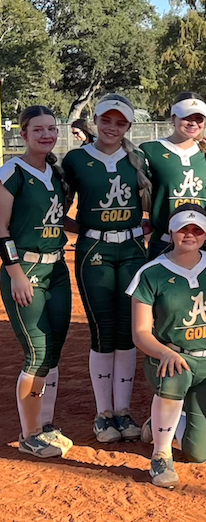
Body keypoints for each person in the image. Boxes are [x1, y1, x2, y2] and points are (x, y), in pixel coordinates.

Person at [62, 94, 150, 443]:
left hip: (131, 248)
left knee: (128, 330)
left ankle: (124, 411)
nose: (112, 128)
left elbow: (155, 202)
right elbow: (58, 208)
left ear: (128, 126)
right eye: (106, 121)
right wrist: (80, 230)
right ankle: (104, 414)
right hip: (94, 248)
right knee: (102, 328)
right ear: (95, 121)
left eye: (120, 123)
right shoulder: (76, 160)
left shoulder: (138, 159)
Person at [128, 205, 206, 488]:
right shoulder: (151, 272)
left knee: (199, 453)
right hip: (171, 357)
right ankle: (161, 454)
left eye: (197, 229)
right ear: (171, 232)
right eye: (183, 228)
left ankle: (163, 421)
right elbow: (140, 333)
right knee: (174, 371)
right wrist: (164, 351)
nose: (190, 234)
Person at [0, 106, 73, 458]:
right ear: (24, 133)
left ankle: (44, 425)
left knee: (54, 350)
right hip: (26, 269)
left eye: (51, 129)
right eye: (38, 129)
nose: (46, 135)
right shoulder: (13, 170)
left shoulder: (53, 172)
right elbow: (0, 227)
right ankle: (29, 434)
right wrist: (15, 273)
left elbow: (57, 222)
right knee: (37, 353)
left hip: (57, 269)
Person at [140, 92, 206, 258]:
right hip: (164, 241)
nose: (193, 123)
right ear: (173, 118)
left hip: (203, 240)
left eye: (199, 119)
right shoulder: (151, 150)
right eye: (186, 117)